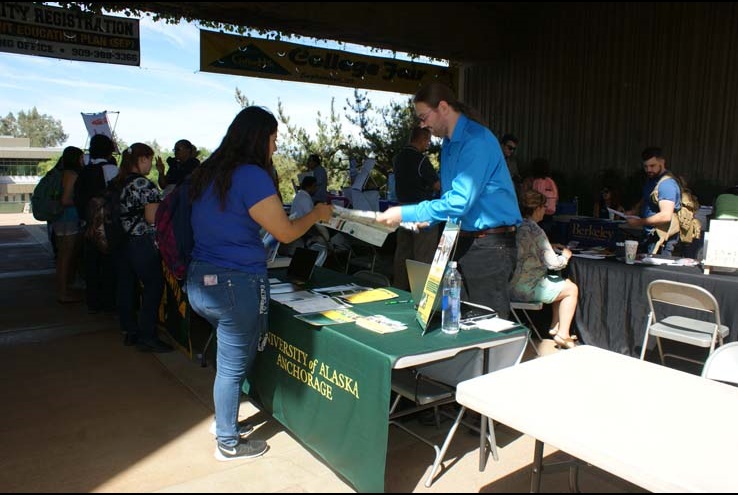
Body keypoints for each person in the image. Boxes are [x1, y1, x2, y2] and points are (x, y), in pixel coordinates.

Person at [186, 106, 332, 461]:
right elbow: (284, 230)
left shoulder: (211, 172)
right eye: (273, 139)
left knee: (230, 361)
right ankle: (228, 442)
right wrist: (315, 214)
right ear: (258, 137)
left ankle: (225, 419)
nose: (275, 147)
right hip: (234, 285)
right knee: (234, 366)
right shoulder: (250, 175)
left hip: (200, 281)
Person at [376, 82, 521, 318]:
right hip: (462, 240)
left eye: (424, 117)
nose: (422, 125)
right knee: (454, 319)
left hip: (490, 247)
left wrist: (405, 213)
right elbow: (450, 200)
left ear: (443, 107)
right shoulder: (448, 145)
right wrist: (426, 220)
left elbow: (459, 202)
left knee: (486, 327)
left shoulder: (477, 141)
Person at [115, 143, 172, 352]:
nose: (150, 164)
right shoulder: (143, 184)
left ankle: (130, 331)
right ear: (141, 160)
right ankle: (148, 335)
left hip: (121, 241)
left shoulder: (118, 182)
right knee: (153, 286)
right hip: (141, 242)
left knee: (127, 287)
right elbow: (151, 218)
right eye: (149, 159)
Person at [509, 190, 579, 349]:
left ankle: (556, 327)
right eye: (543, 207)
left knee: (562, 283)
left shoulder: (516, 225)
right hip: (527, 289)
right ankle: (563, 334)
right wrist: (566, 257)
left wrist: (550, 246)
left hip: (511, 285)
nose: (545, 211)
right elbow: (553, 264)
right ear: (537, 208)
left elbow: (527, 247)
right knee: (572, 289)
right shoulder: (536, 230)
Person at [391, 126, 441, 290]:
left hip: (403, 210)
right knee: (423, 257)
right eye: (428, 141)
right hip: (421, 210)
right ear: (422, 139)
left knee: (403, 255)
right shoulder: (420, 159)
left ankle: (400, 291)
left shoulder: (398, 158)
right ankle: (421, 298)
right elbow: (436, 185)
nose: (428, 144)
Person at [75, 133, 119, 314]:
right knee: (109, 266)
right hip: (108, 226)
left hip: (87, 224)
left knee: (91, 265)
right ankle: (108, 302)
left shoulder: (84, 170)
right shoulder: (110, 169)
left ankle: (93, 302)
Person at [626, 147, 681, 255]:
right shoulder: (652, 179)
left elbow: (666, 216)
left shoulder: (667, 184)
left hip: (663, 239)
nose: (648, 170)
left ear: (662, 162)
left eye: (652, 166)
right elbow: (648, 197)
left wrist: (638, 222)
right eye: (645, 166)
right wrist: (635, 210)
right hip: (651, 235)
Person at [53, 146, 84, 303]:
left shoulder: (59, 173)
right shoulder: (72, 174)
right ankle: (63, 291)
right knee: (67, 256)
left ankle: (63, 287)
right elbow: (66, 200)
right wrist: (81, 201)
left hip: (59, 219)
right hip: (69, 218)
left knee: (62, 256)